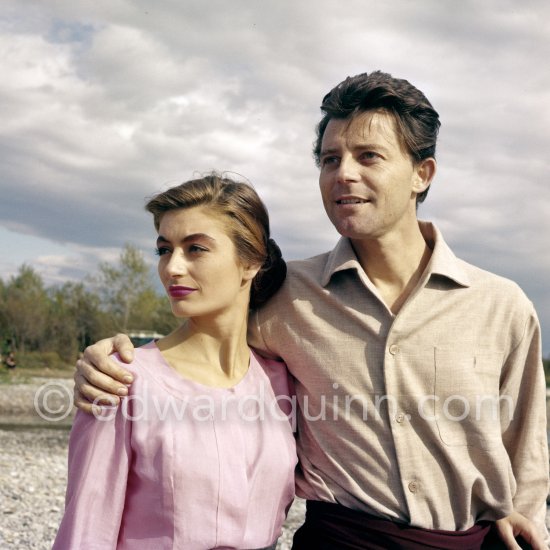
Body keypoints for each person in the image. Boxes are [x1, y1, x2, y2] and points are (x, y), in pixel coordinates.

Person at [74, 72, 549, 549]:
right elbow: (202, 339)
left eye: (368, 156)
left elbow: (526, 439)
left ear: (422, 173)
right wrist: (110, 357)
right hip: (340, 540)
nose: (343, 173)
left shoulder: (500, 305)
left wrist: (527, 513)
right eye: (329, 159)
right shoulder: (282, 295)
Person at [54, 174, 297, 549]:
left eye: (195, 249)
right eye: (164, 249)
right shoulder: (120, 380)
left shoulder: (280, 380)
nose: (172, 268)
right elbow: (86, 532)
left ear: (250, 262)